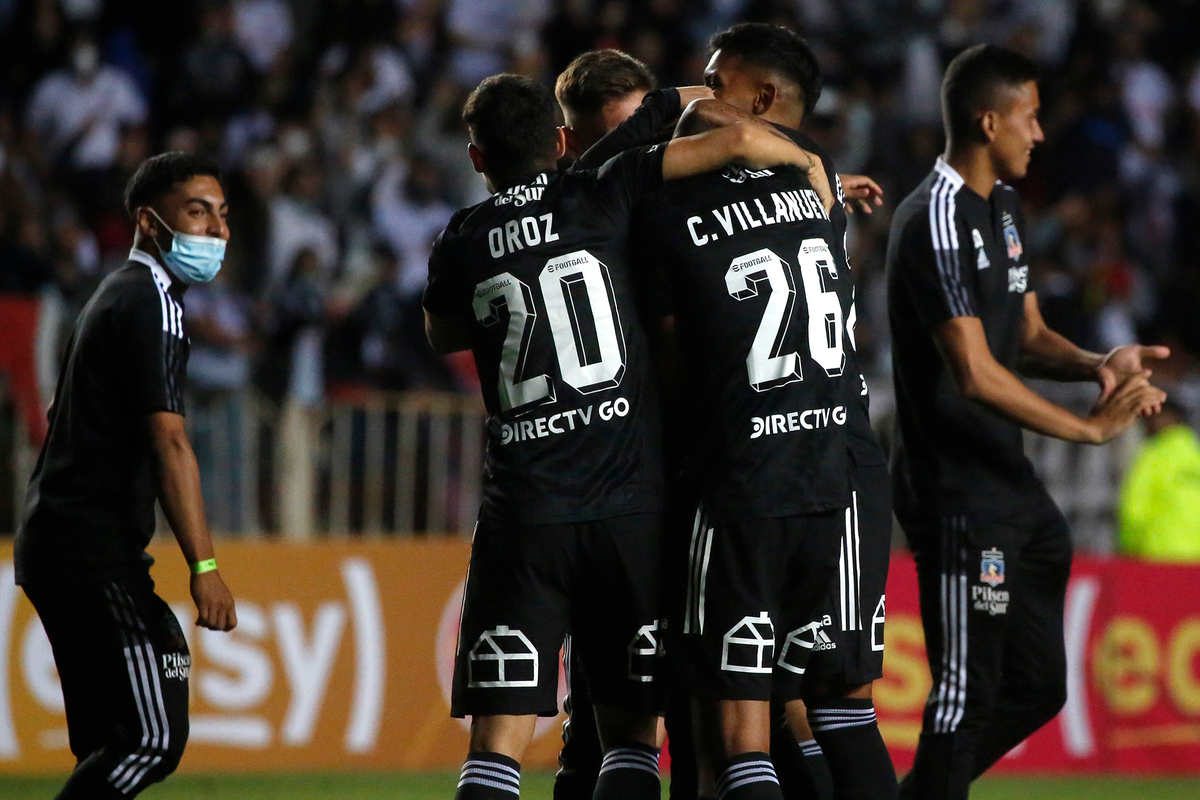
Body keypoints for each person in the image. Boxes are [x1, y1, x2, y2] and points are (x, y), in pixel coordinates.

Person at [424, 73, 832, 800]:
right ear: (556, 140)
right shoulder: (603, 190)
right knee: (633, 743)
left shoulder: (460, 240)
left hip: (524, 515)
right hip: (629, 513)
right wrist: (806, 164)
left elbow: (443, 333)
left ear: (477, 158)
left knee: (494, 752)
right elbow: (735, 136)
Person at [885, 44, 1167, 800]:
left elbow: (1028, 337)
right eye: (1030, 117)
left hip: (1008, 487)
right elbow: (974, 371)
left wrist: (1099, 364)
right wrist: (1088, 428)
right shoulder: (935, 221)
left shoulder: (1004, 208)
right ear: (988, 121)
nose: (1039, 134)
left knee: (1040, 687)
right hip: (955, 494)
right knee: (962, 694)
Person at [631, 23, 893, 800]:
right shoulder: (821, 187)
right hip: (837, 469)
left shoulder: (672, 197)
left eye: (717, 81)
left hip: (738, 471)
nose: (700, 94)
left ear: (765, 98)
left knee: (739, 734)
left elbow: (675, 355)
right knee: (835, 708)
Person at [15, 151, 238, 799]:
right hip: (91, 554)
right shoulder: (152, 302)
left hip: (59, 546)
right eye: (197, 212)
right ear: (149, 221)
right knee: (150, 739)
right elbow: (170, 440)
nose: (217, 230)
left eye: (222, 215)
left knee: (108, 742)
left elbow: (64, 410)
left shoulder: (111, 298)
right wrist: (204, 568)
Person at [1118, 398, 1200, 562]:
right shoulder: (1194, 453)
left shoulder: (1154, 454)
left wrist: (1128, 548)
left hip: (1158, 555)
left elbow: (1134, 510)